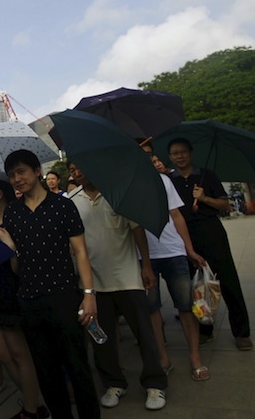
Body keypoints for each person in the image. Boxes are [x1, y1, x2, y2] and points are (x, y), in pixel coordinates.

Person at [2, 150, 100, 419]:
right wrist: (10, 249)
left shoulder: (62, 205)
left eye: (21, 172)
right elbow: (16, 268)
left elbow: (80, 252)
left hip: (64, 296)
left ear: (37, 172)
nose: (16, 179)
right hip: (30, 300)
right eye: (11, 175)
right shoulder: (12, 213)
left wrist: (89, 294)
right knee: (47, 371)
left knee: (77, 366)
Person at [69, 162, 167, 411]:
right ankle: (114, 383)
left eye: (80, 167)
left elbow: (137, 232)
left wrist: (145, 266)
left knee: (143, 333)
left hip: (127, 277)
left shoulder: (118, 194)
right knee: (102, 338)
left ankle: (155, 384)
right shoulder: (70, 200)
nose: (76, 173)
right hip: (93, 284)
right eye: (72, 169)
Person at [166, 137, 252, 351]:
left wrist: (204, 198)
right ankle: (205, 329)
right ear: (170, 157)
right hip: (184, 236)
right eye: (175, 153)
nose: (179, 156)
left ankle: (242, 333)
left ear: (191, 153)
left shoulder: (207, 176)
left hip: (211, 232)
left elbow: (224, 204)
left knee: (228, 281)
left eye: (183, 152)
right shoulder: (169, 181)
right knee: (196, 286)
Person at [0, 173, 47, 419]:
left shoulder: (17, 218)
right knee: (1, 354)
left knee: (19, 354)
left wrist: (11, 250)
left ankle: (32, 408)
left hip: (12, 291)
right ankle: (35, 401)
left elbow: (22, 266)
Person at [139, 142, 209, 381]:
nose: (147, 159)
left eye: (149, 155)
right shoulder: (126, 188)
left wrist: (189, 249)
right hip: (143, 256)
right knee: (152, 310)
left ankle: (195, 357)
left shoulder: (164, 181)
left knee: (186, 306)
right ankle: (162, 358)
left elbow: (177, 216)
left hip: (173, 251)